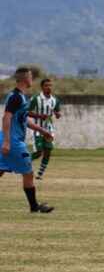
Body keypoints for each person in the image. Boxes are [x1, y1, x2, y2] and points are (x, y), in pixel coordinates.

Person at [0, 67, 56, 213]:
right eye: (31, 77)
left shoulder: (22, 97)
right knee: (28, 173)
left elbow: (24, 120)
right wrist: (7, 141)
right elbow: (6, 117)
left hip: (8, 140)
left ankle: (34, 206)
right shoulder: (16, 97)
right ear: (25, 79)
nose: (32, 80)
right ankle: (34, 207)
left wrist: (43, 131)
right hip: (13, 142)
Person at [28, 78, 62, 180]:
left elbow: (58, 112)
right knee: (38, 152)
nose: (49, 87)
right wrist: (38, 116)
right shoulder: (35, 98)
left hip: (49, 129)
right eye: (46, 85)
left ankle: (40, 174)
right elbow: (27, 112)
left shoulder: (55, 100)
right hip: (38, 129)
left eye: (50, 85)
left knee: (48, 151)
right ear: (42, 87)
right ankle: (23, 163)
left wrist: (58, 114)